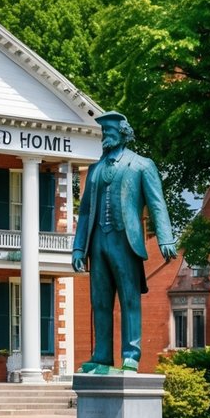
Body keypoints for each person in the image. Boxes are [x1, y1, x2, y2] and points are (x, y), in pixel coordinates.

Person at [72, 111, 177, 373]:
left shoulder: (142, 165)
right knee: (100, 301)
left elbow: (156, 204)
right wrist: (78, 247)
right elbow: (84, 212)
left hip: (126, 242)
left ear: (123, 133)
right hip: (97, 242)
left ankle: (131, 354)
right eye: (103, 132)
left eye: (110, 131)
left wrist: (165, 238)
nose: (105, 136)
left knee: (130, 299)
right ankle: (102, 356)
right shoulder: (95, 170)